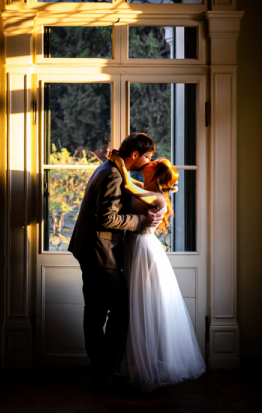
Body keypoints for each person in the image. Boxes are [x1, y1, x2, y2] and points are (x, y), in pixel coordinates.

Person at [67, 132, 163, 388]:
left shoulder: (111, 168)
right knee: (120, 310)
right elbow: (107, 218)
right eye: (148, 157)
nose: (148, 162)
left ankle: (99, 370)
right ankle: (105, 368)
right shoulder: (112, 174)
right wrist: (140, 221)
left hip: (93, 250)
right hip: (100, 253)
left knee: (96, 311)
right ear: (135, 155)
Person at [107, 152, 206, 391]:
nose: (147, 163)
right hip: (134, 250)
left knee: (144, 304)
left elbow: (128, 183)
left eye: (152, 163)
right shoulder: (147, 188)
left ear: (157, 174)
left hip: (144, 253)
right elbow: (130, 185)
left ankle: (148, 364)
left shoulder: (157, 198)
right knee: (135, 304)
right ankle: (138, 360)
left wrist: (119, 162)